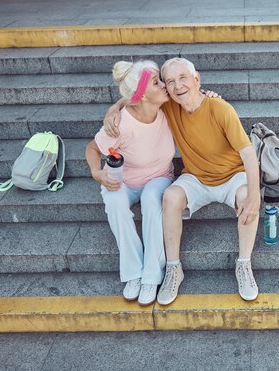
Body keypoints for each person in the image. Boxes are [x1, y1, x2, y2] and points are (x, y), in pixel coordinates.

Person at [104, 57, 261, 305]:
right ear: (165, 87)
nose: (177, 86)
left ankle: (244, 265)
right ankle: (174, 268)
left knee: (246, 196)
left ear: (196, 78)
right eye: (170, 81)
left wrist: (255, 196)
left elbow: (248, 154)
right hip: (196, 177)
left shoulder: (221, 109)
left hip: (231, 175)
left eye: (183, 78)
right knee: (170, 196)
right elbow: (138, 94)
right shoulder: (169, 105)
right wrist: (114, 109)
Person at [86, 60, 175, 305]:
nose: (165, 85)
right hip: (124, 180)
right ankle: (133, 272)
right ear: (143, 96)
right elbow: (93, 148)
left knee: (151, 199)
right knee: (114, 200)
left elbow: (193, 93)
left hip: (159, 177)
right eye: (157, 83)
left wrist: (116, 103)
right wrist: (97, 173)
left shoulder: (167, 108)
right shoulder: (120, 124)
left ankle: (152, 274)